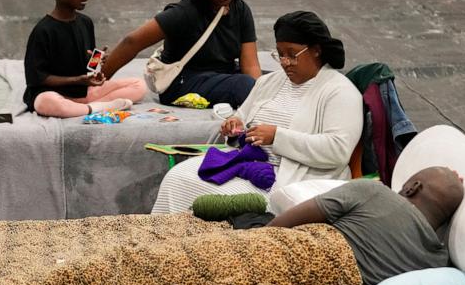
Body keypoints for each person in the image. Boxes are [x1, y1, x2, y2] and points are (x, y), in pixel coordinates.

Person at [152, 11, 362, 214]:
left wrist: (276, 136)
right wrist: (234, 126)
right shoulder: (269, 82)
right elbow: (242, 118)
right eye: (280, 54)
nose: (285, 62)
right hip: (246, 164)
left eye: (292, 55)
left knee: (215, 198)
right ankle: (165, 245)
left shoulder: (340, 92)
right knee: (177, 178)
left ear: (316, 50)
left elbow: (337, 151)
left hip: (290, 178)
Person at [100, 0, 261, 108]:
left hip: (223, 76)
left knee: (275, 80)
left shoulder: (240, 9)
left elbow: (250, 65)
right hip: (184, 83)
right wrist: (99, 81)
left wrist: (260, 91)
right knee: (244, 85)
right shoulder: (184, 13)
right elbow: (132, 42)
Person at [269, 166, 465, 285]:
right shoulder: (437, 262)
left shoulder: (374, 192)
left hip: (281, 260)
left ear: (413, 187)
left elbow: (277, 227)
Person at [23, 0, 146, 118]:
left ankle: (84, 107)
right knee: (45, 103)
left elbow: (88, 67)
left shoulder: (85, 22)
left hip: (83, 92)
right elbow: (37, 78)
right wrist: (77, 80)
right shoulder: (43, 30)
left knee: (139, 85)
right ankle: (100, 107)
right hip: (53, 94)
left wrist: (97, 63)